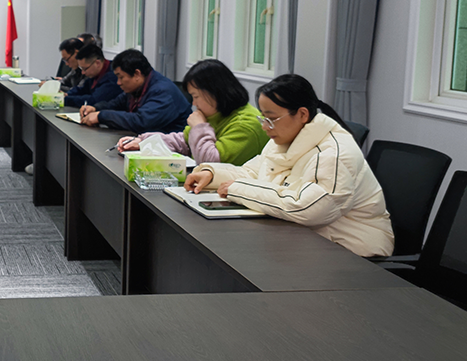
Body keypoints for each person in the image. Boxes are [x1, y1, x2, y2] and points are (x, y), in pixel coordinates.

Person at [184, 74, 394, 258]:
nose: (265, 127)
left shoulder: (334, 153)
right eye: (263, 118)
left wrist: (237, 189)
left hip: (352, 252)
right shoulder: (284, 137)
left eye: (271, 119)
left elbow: (308, 209)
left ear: (302, 114)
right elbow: (254, 172)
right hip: (306, 240)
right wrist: (212, 175)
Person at [116, 59, 268, 164]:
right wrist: (144, 141)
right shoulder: (217, 114)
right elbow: (184, 142)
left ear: (215, 93)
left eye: (196, 97)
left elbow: (210, 163)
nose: (194, 103)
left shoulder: (246, 124)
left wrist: (199, 127)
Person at [78, 48, 191, 132]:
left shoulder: (162, 91)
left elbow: (142, 122)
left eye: (121, 77)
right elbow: (116, 104)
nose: (118, 82)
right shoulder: (137, 87)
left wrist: (101, 116)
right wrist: (95, 108)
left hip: (170, 150)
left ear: (137, 74)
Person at [64, 44, 123, 108]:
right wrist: (67, 94)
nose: (83, 72)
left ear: (97, 63)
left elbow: (94, 100)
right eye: (81, 69)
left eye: (85, 69)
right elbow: (83, 89)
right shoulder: (95, 73)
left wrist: (65, 100)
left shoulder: (113, 77)